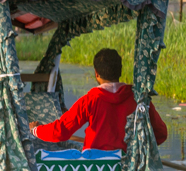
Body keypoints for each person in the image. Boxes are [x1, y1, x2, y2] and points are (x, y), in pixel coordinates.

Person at [32, 47, 167, 151]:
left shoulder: (90, 100)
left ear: (96, 73)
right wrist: (139, 149)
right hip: (129, 168)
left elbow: (61, 131)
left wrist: (36, 130)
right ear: (120, 71)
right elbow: (161, 133)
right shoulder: (138, 98)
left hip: (95, 169)